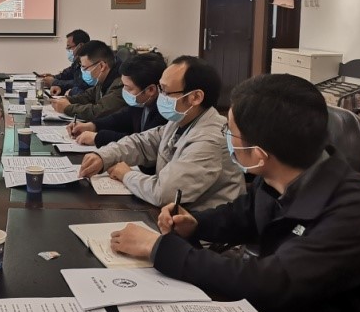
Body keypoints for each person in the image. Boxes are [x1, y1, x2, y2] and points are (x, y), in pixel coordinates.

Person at [109, 74, 360, 312]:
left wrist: (159, 249)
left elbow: (270, 280)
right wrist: (197, 223)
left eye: (230, 132)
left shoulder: (359, 211)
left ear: (259, 154)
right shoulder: (280, 174)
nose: (226, 137)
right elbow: (246, 213)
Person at [79, 55, 244, 210]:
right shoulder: (181, 120)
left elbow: (164, 193)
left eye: (165, 91)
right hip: (175, 216)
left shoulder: (210, 139)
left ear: (195, 97)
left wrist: (126, 175)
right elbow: (142, 143)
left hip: (203, 224)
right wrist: (104, 156)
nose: (160, 96)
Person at [69, 52, 167, 148]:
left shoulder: (164, 114)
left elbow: (142, 143)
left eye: (129, 88)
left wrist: (98, 138)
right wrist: (92, 125)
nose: (124, 91)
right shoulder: (141, 104)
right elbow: (121, 118)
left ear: (150, 90)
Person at [50, 40, 125, 120]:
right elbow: (87, 96)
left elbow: (99, 111)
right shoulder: (103, 79)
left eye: (85, 68)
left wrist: (68, 108)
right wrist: (66, 100)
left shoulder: (121, 83)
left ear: (102, 66)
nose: (83, 72)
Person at [41, 29, 91, 96]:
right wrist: (52, 77)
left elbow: (80, 84)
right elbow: (66, 74)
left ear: (80, 46)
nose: (68, 50)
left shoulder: (90, 63)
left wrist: (54, 82)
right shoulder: (77, 62)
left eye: (69, 47)